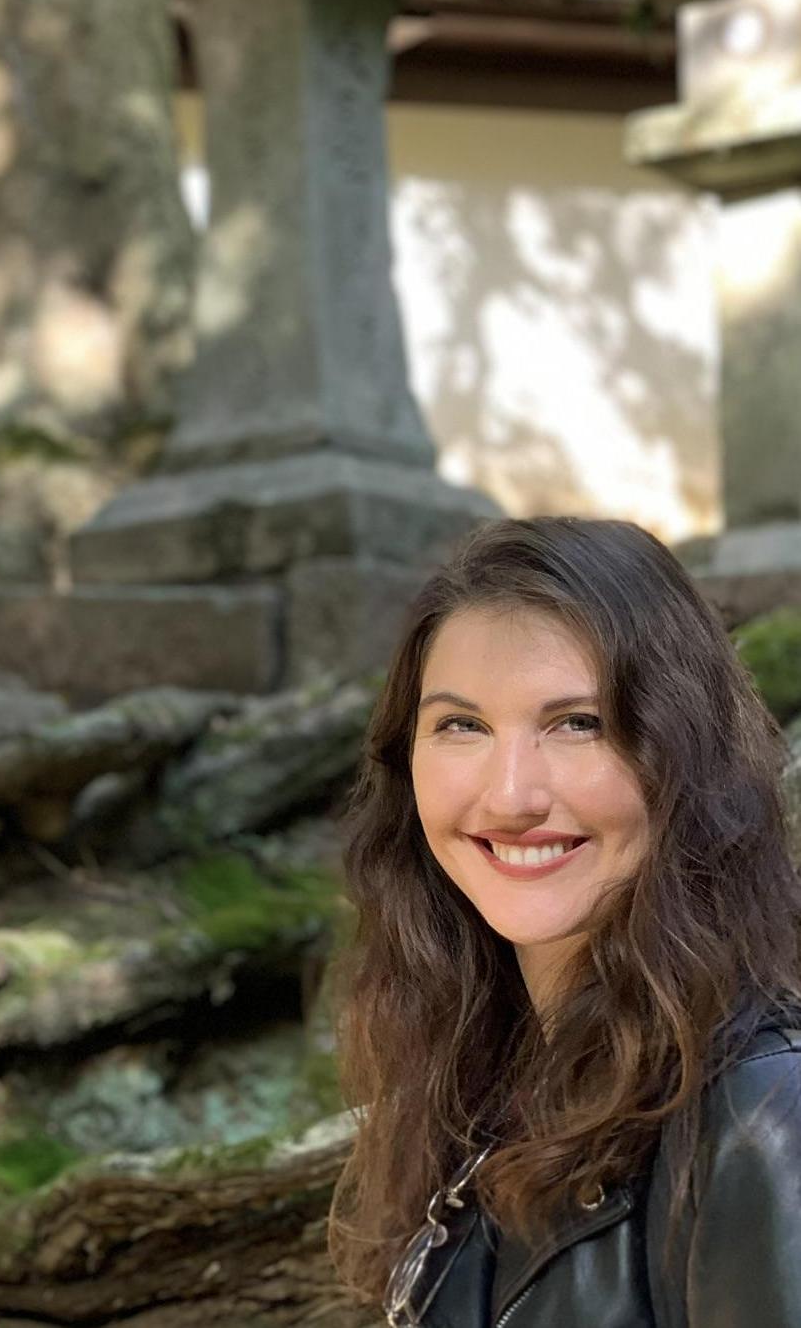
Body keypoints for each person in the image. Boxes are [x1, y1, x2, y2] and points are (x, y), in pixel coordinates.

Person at [327, 516, 801, 1327]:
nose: (511, 797)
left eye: (579, 723)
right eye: (461, 725)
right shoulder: (479, 1076)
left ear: (688, 756)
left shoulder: (766, 1112)